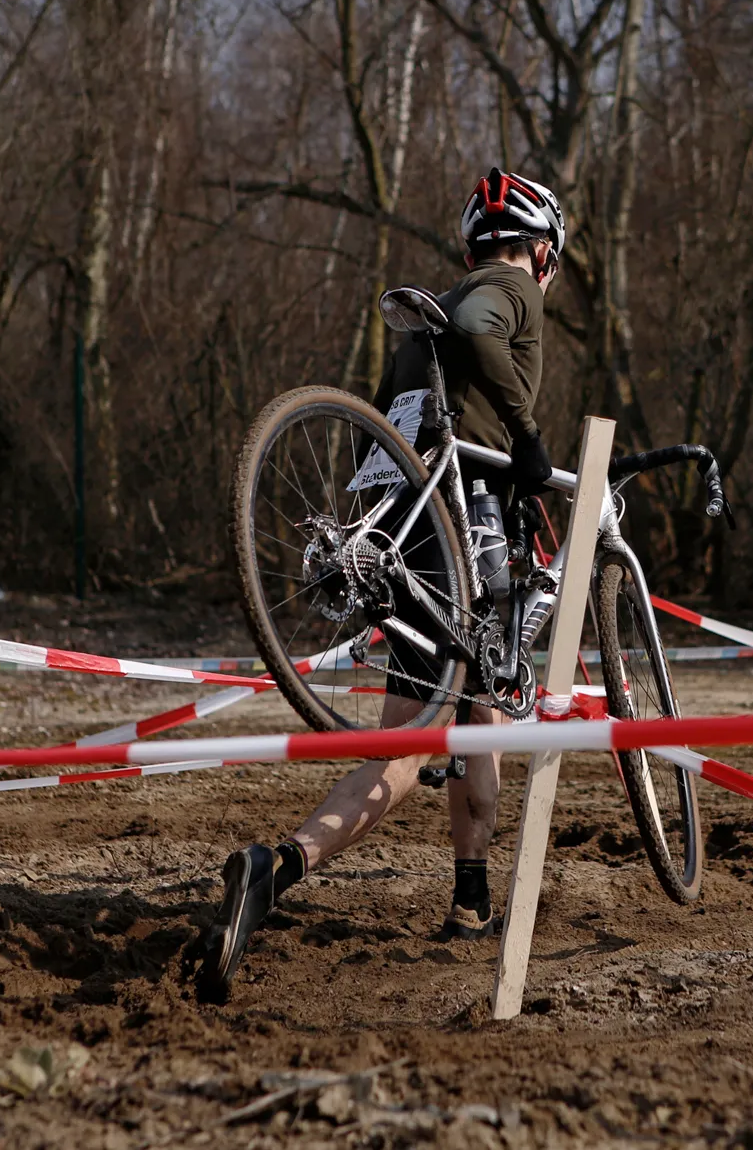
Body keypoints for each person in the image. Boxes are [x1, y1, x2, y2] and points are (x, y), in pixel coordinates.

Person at [198, 167, 563, 1002]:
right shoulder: (508, 286)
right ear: (542, 251)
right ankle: (275, 867)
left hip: (397, 525)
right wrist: (529, 433)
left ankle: (470, 901)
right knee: (409, 744)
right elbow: (481, 323)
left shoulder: (421, 330)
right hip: (449, 531)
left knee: (472, 717)